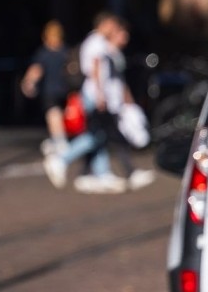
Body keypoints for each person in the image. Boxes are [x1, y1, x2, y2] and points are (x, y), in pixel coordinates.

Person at [42, 13, 153, 193]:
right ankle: (62, 158)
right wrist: (101, 94)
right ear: (105, 24)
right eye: (112, 24)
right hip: (95, 95)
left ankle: (100, 173)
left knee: (99, 134)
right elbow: (95, 68)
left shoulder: (98, 41)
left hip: (97, 94)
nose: (114, 28)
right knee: (97, 134)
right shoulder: (96, 42)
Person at [20, 20, 72, 155]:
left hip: (50, 90)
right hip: (65, 89)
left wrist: (28, 82)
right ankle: (57, 142)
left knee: (53, 116)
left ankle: (60, 142)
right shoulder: (66, 51)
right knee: (60, 116)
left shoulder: (43, 53)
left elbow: (36, 70)